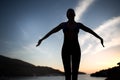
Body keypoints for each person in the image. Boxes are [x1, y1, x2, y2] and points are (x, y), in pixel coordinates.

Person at [36, 8, 104, 80]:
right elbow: (52, 31)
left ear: (74, 15)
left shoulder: (78, 25)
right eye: (69, 13)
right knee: (67, 74)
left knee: (75, 74)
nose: (70, 14)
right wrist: (42, 39)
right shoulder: (63, 25)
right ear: (67, 16)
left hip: (76, 49)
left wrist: (100, 38)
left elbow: (90, 31)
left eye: (72, 13)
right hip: (66, 49)